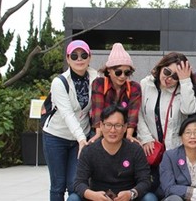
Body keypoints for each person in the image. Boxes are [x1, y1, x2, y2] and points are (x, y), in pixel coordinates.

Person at [42, 40, 96, 201]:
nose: (79, 59)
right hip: (56, 136)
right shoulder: (59, 82)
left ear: (89, 57)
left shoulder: (96, 78)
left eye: (83, 55)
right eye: (74, 55)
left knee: (75, 185)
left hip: (81, 139)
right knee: (58, 185)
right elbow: (67, 114)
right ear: (68, 58)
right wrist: (81, 139)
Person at [68, 105, 156, 201]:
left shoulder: (135, 150)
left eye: (118, 125)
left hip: (126, 198)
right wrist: (92, 195)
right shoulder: (89, 151)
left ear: (125, 127)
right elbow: (78, 182)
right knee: (73, 198)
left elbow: (145, 181)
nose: (112, 130)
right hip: (97, 198)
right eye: (108, 125)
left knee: (150, 198)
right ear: (101, 125)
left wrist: (131, 194)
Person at [137, 53, 196, 162]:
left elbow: (189, 110)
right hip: (151, 148)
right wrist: (146, 138)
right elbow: (139, 113)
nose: (169, 78)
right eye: (167, 72)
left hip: (175, 151)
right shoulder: (145, 84)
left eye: (175, 76)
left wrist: (185, 81)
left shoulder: (183, 90)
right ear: (161, 67)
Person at [90, 42, 142, 144]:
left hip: (124, 131)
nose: (122, 76)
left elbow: (133, 113)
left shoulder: (134, 87)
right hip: (102, 130)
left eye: (127, 72)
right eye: (118, 72)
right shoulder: (99, 83)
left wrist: (129, 134)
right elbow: (97, 110)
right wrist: (99, 133)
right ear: (109, 70)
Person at [159, 116, 196, 201]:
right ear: (181, 137)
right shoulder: (169, 156)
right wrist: (195, 193)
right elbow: (168, 188)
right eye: (188, 132)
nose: (192, 136)